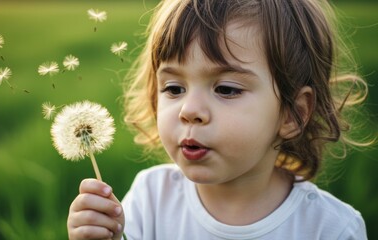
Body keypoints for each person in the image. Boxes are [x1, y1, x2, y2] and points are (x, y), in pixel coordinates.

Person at [67, 0, 372, 239]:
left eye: (226, 89)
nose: (190, 110)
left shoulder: (330, 229)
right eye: (174, 88)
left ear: (293, 113)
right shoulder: (150, 199)